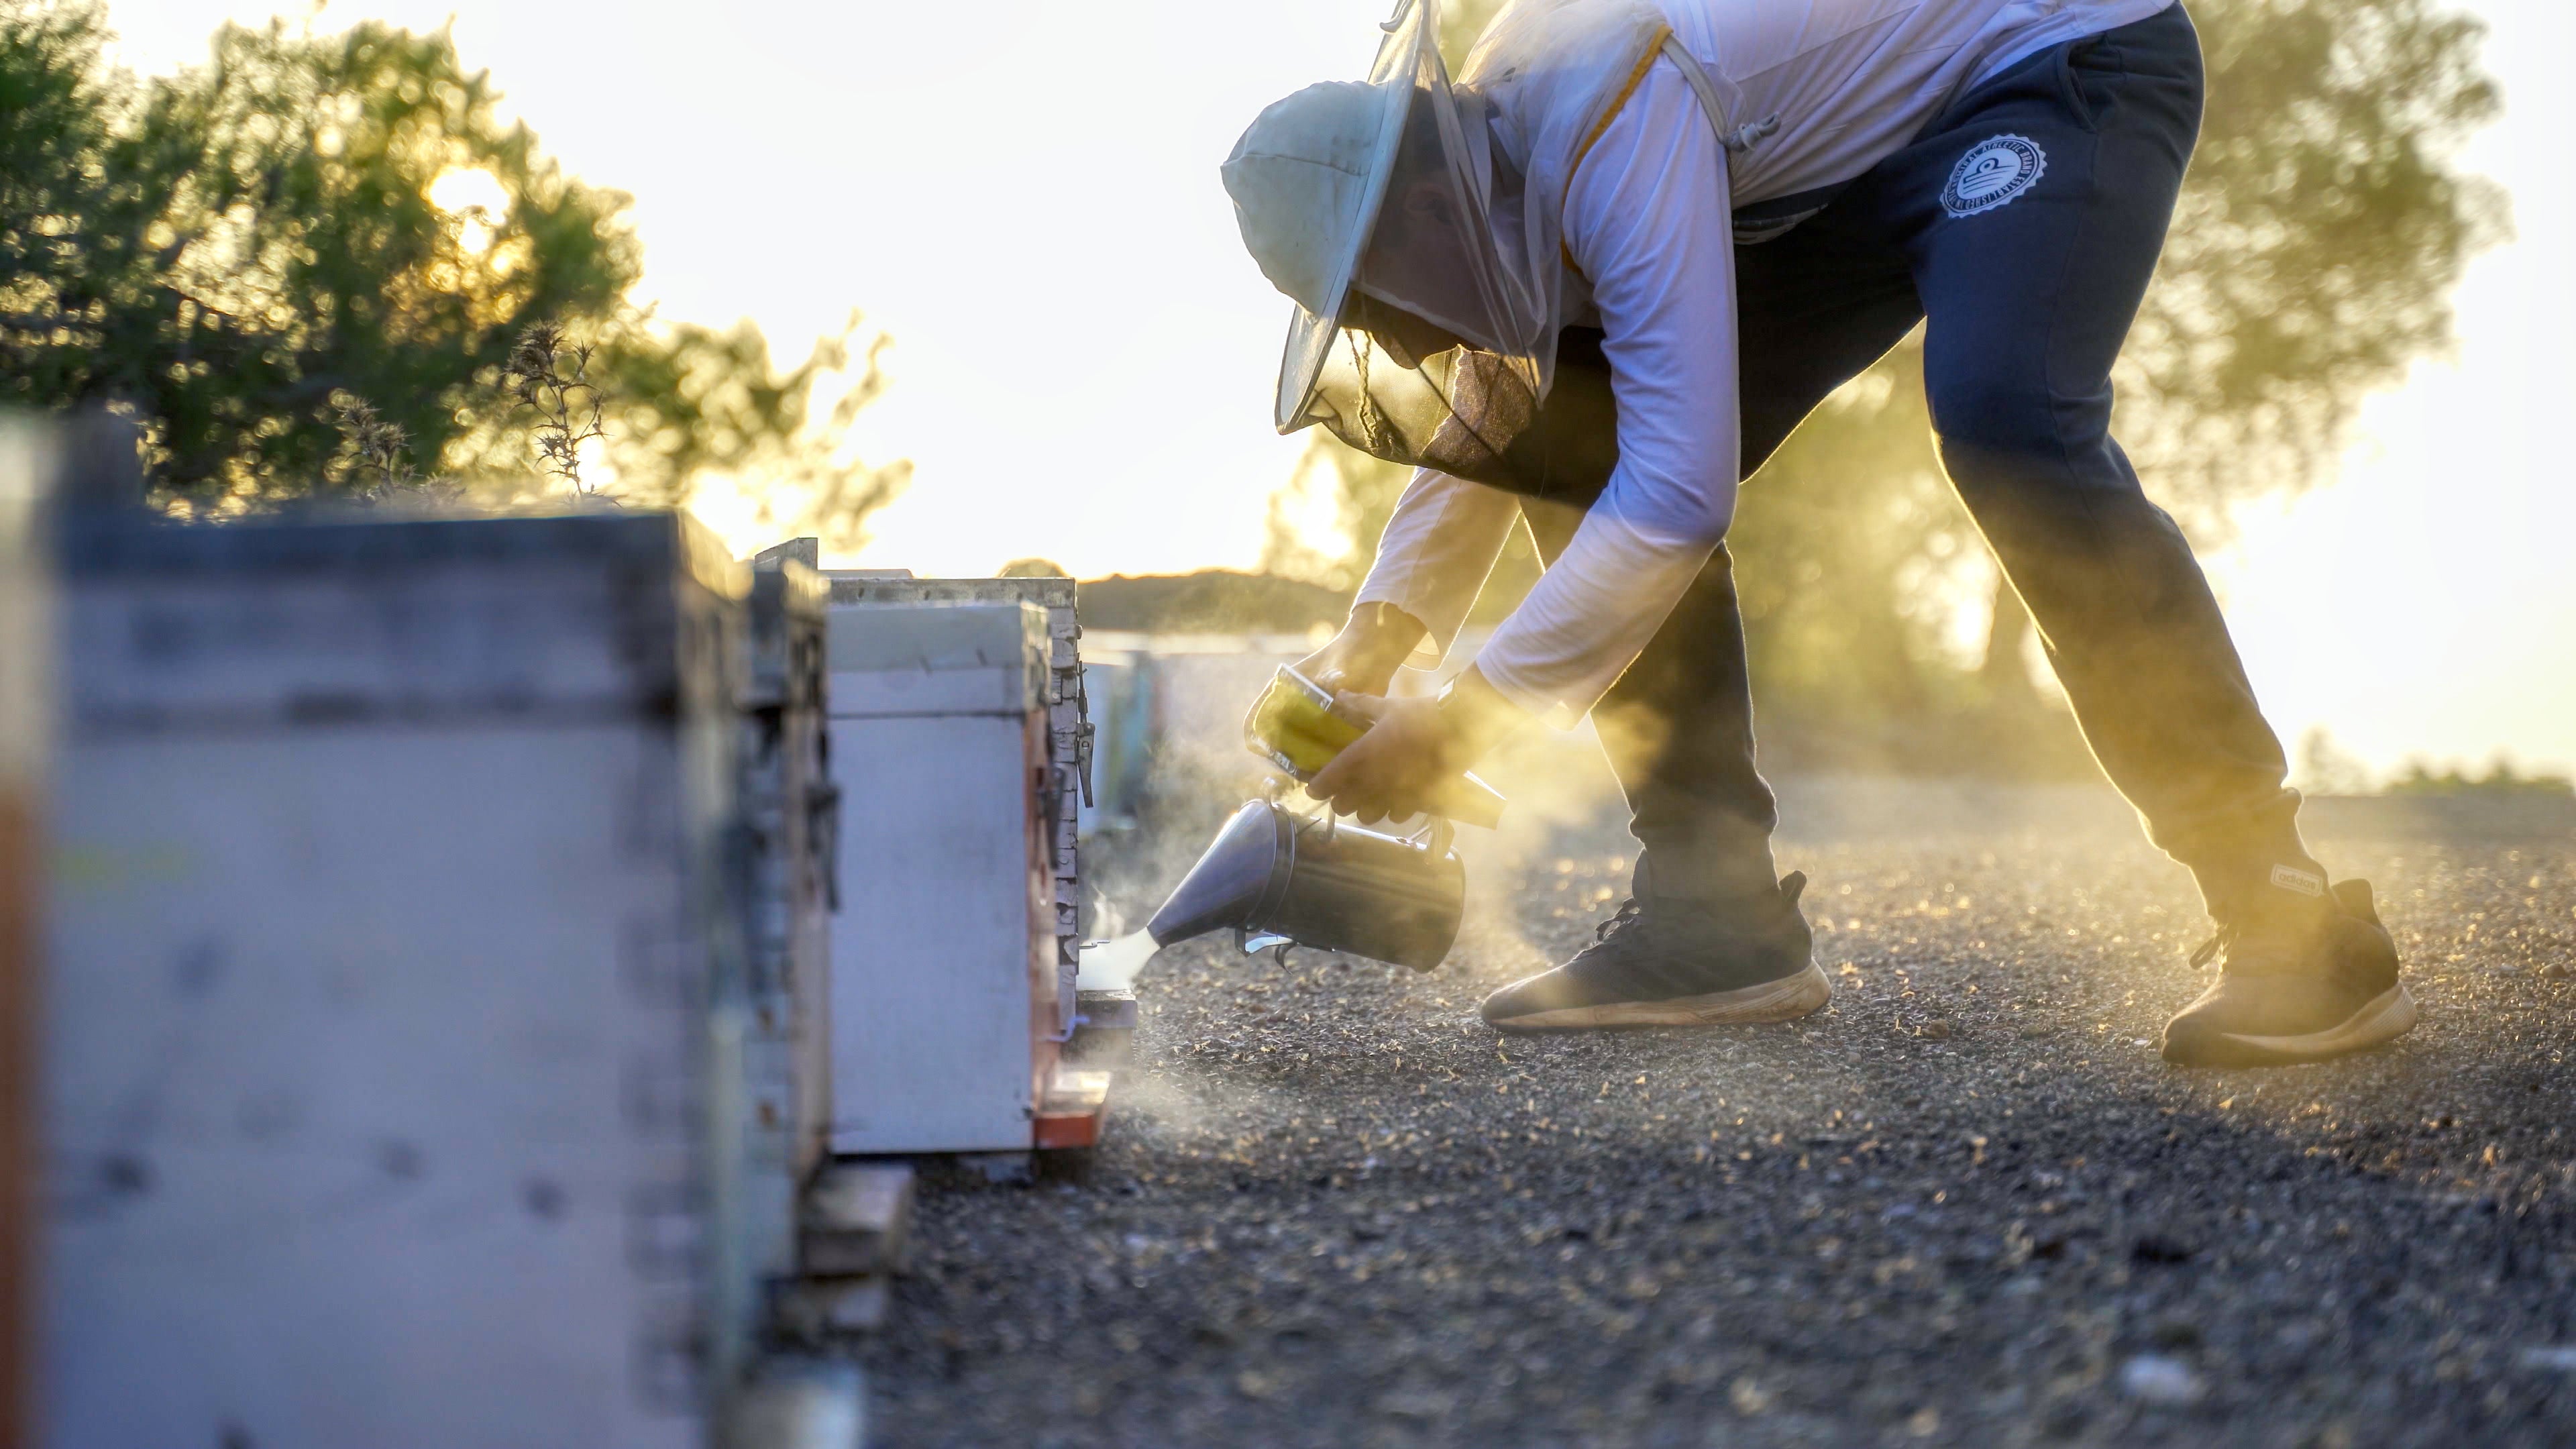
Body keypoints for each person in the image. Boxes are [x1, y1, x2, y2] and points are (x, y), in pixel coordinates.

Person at [1218, 0, 2417, 1067]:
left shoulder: (1603, 111)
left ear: (1425, 206)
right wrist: (1373, 644)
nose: (1411, 350)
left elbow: (1682, 495)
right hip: (1852, 162)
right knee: (1573, 432)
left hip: (2053, 63)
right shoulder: (1490, 148)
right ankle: (1711, 916)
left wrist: (1468, 720)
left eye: (1378, 306)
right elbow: (1515, 410)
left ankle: (2288, 916)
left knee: (2007, 422)